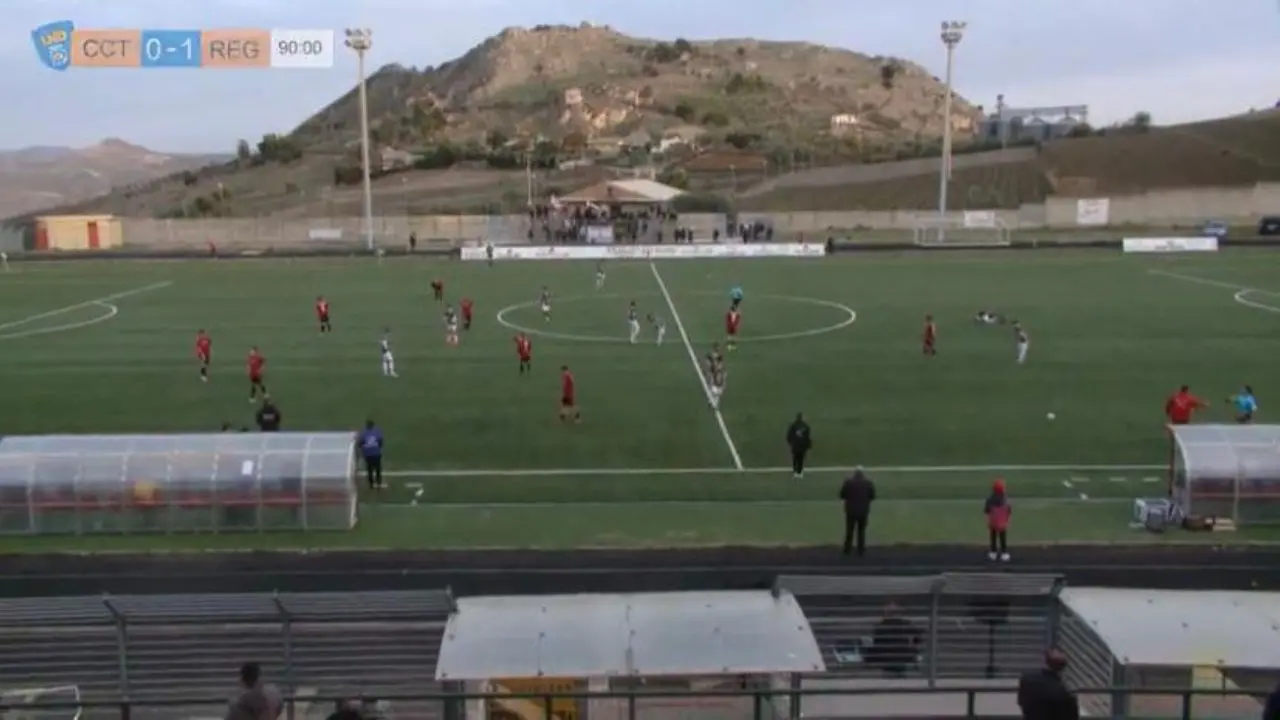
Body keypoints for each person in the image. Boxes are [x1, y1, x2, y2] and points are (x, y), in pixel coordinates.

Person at [1017, 649, 1078, 720]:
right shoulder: (1066, 694)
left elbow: (1020, 702)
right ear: (1063, 668)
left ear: (1045, 661)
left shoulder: (1027, 680)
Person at [869, 602, 921, 677]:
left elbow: (876, 644)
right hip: (902, 659)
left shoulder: (881, 626)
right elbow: (918, 636)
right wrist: (913, 647)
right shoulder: (905, 624)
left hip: (888, 661)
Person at [839, 467, 875, 557]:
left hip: (850, 511)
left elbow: (842, 495)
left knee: (849, 531)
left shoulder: (848, 483)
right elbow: (872, 496)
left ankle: (847, 550)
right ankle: (861, 550)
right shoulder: (868, 483)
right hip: (863, 511)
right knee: (861, 531)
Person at [985, 478, 1012, 561]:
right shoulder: (1005, 500)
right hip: (1002, 523)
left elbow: (986, 510)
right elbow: (1009, 510)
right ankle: (1004, 552)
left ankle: (993, 552)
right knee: (1002, 536)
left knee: (993, 536)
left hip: (993, 522)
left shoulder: (990, 500)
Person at [358, 420, 384, 491]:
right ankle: (379, 483)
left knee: (370, 469)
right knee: (378, 469)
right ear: (373, 425)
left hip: (368, 454)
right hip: (376, 453)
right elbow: (381, 442)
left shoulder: (363, 433)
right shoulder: (377, 432)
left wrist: (364, 449)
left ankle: (371, 484)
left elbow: (360, 443)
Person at [786, 412, 812, 479]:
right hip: (802, 446)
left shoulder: (793, 425)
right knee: (801, 459)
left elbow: (789, 435)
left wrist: (790, 442)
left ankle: (795, 471)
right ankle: (800, 472)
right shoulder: (806, 426)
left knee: (795, 458)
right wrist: (808, 445)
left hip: (795, 445)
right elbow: (807, 437)